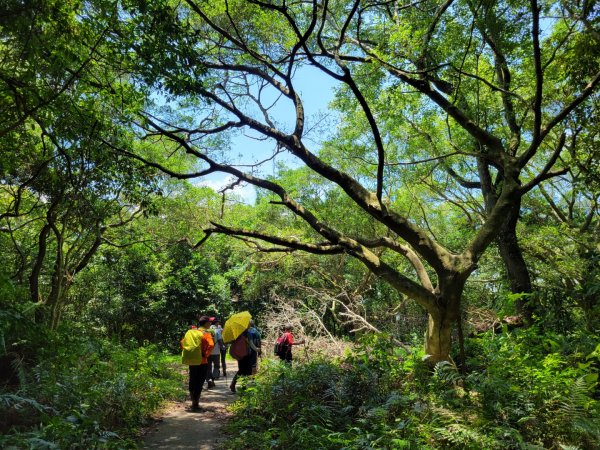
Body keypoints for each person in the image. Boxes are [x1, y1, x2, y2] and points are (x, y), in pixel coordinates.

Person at [180, 316, 214, 411]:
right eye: (209, 322)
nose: (210, 324)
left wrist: (190, 353)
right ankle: (196, 404)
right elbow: (211, 345)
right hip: (202, 361)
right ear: (206, 323)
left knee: (192, 380)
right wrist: (205, 354)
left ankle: (193, 402)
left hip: (192, 361)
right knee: (199, 382)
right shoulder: (206, 334)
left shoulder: (191, 332)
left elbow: (183, 343)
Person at [229, 325, 259, 393]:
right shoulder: (247, 333)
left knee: (241, 370)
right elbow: (252, 345)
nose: (249, 325)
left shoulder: (237, 333)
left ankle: (236, 385)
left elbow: (231, 342)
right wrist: (257, 350)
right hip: (246, 355)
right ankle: (241, 386)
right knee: (247, 371)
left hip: (239, 355)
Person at [206, 318, 221, 388]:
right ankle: (213, 379)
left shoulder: (207, 330)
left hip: (208, 352)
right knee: (216, 366)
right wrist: (223, 347)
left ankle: (208, 379)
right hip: (216, 351)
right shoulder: (217, 330)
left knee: (208, 367)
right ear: (216, 323)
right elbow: (220, 340)